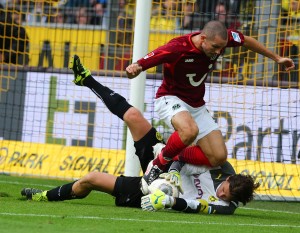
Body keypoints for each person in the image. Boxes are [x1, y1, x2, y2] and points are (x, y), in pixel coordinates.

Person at [21, 55, 259, 215]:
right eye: (224, 188)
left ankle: (43, 196)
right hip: (161, 164)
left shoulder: (225, 204)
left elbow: (205, 207)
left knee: (91, 179)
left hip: (149, 188)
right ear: (228, 179)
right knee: (134, 116)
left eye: (226, 195)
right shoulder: (222, 167)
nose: (222, 193)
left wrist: (169, 201)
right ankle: (86, 80)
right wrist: (173, 168)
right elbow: (185, 155)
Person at [125, 20, 295, 186]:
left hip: (196, 105)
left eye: (222, 47)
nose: (219, 51)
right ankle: (158, 165)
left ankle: (172, 154)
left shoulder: (221, 40)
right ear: (203, 38)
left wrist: (277, 58)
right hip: (170, 98)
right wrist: (135, 67)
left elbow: (247, 41)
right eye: (215, 47)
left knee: (218, 157)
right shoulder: (177, 48)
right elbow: (145, 61)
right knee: (189, 131)